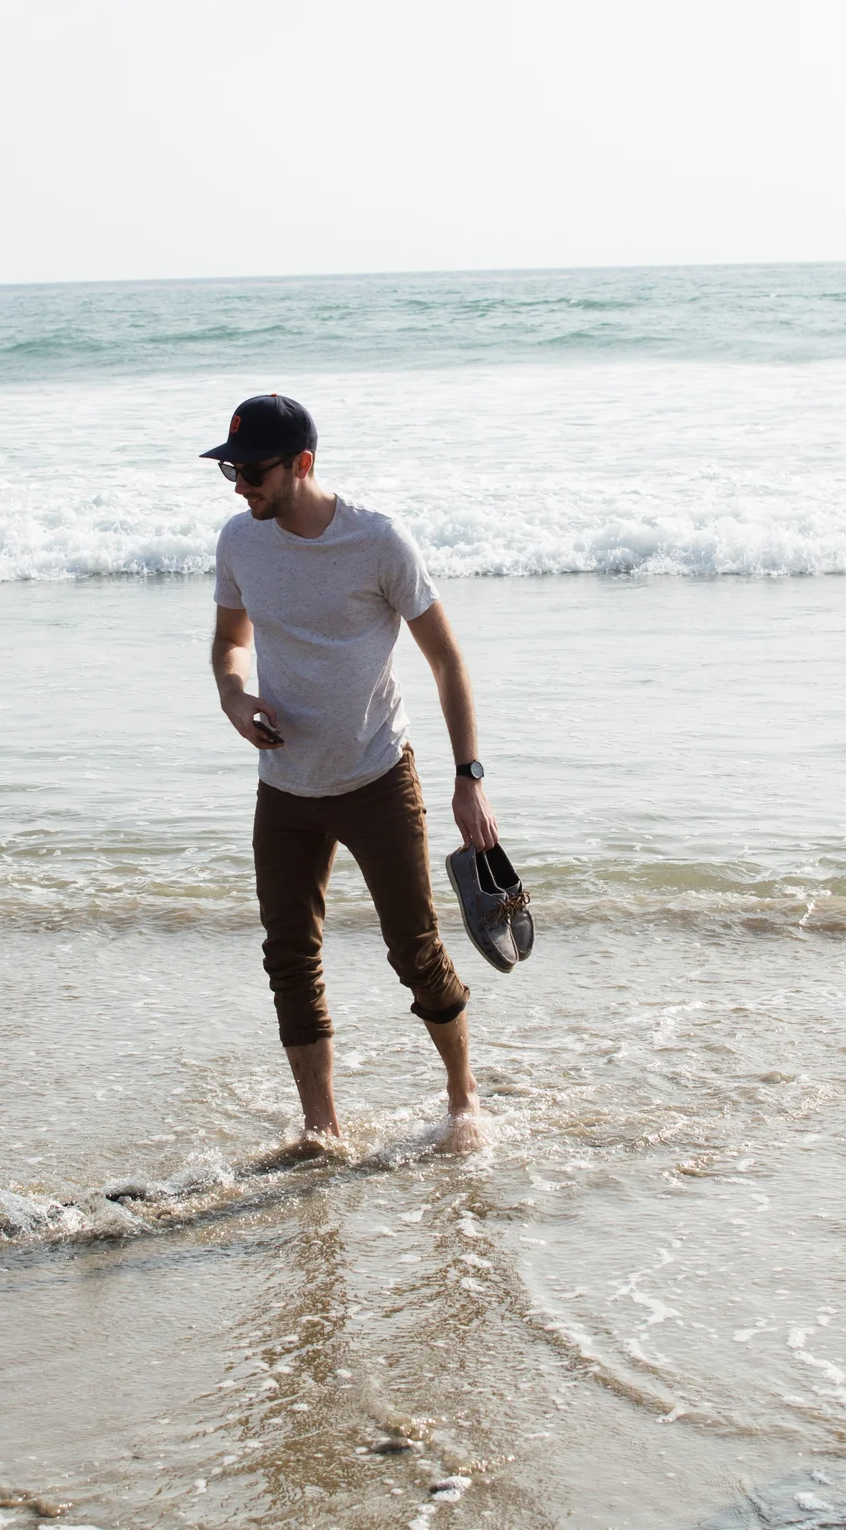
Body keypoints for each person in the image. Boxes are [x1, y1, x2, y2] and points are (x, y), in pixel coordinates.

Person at [203, 392, 497, 1154]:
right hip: (286, 790)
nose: (240, 484)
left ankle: (464, 1099)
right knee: (289, 958)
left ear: (302, 463)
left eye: (252, 469)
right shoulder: (240, 541)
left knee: (416, 951)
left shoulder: (378, 542)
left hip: (376, 777)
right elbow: (229, 642)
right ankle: (321, 1127)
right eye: (231, 469)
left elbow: (446, 659)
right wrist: (235, 696)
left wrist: (469, 777)